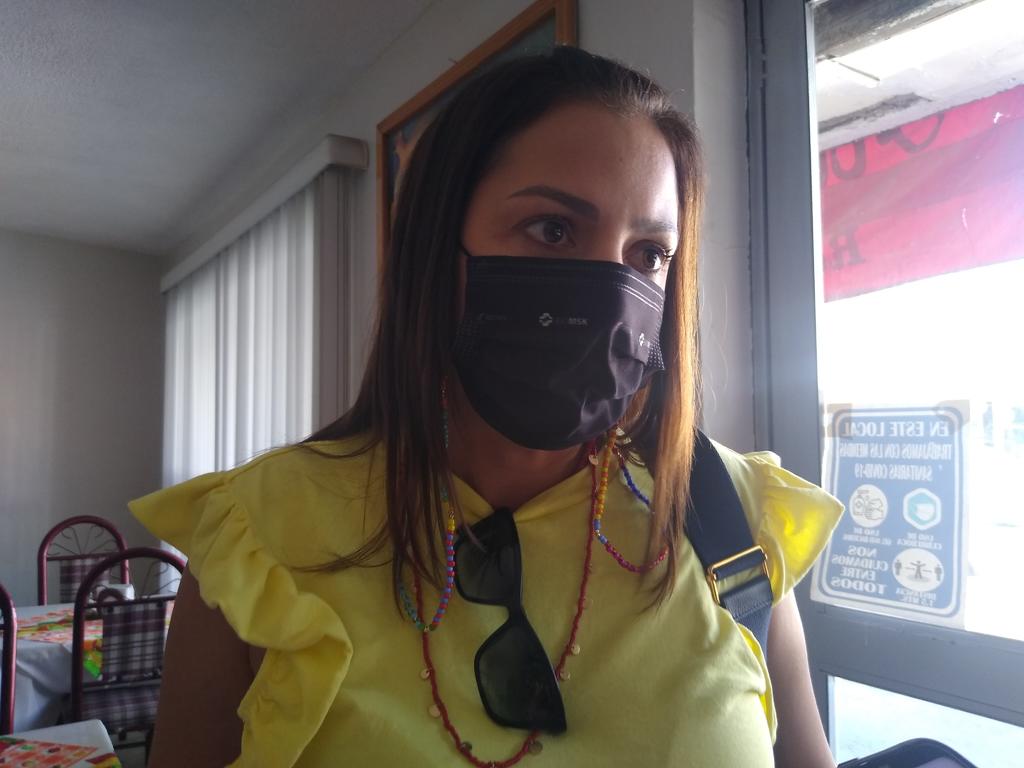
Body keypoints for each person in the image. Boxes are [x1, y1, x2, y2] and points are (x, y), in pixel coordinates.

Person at [132, 46, 843, 767]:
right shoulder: (258, 539)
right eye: (553, 229)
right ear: (436, 249)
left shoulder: (732, 517)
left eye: (649, 254)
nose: (608, 295)